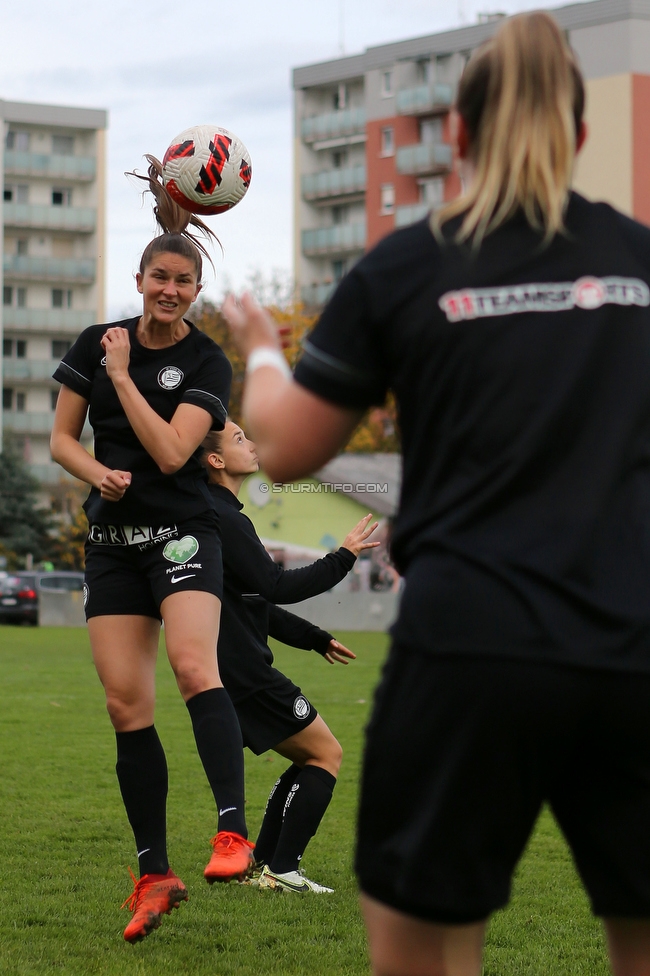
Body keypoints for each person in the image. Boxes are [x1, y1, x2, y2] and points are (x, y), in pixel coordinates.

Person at [221, 12, 650, 976]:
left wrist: (257, 342)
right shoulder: (640, 260)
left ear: (453, 134)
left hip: (468, 655)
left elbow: (283, 448)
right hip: (633, 651)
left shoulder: (407, 266)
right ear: (579, 136)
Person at [50, 159, 254, 944]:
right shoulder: (91, 340)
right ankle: (154, 874)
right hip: (112, 544)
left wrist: (124, 375)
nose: (170, 290)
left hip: (182, 535)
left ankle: (232, 834)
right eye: (159, 277)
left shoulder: (205, 363)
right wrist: (98, 471)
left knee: (194, 667)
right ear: (139, 278)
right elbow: (61, 441)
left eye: (184, 282)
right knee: (124, 706)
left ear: (194, 291)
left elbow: (173, 455)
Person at [200, 420, 378, 892]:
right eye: (239, 439)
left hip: (228, 669)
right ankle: (282, 870)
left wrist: (314, 638)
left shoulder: (214, 515)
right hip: (244, 672)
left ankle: (263, 863)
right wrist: (343, 555)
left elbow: (252, 604)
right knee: (326, 754)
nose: (251, 444)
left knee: (309, 756)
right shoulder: (225, 519)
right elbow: (277, 587)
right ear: (215, 460)